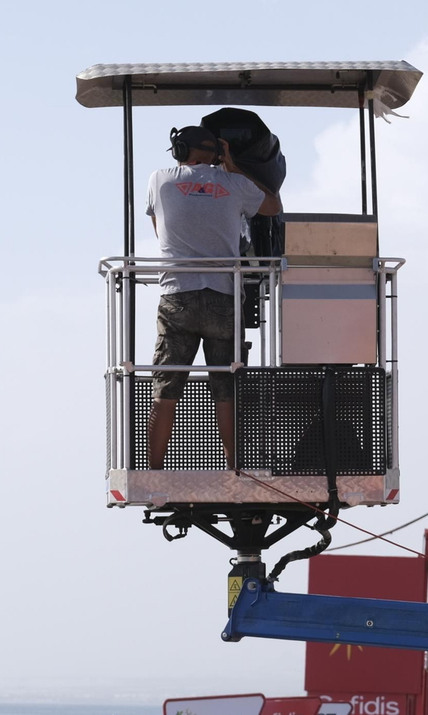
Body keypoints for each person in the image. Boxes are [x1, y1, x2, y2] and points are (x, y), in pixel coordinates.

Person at [144, 123, 282, 471]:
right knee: (226, 386)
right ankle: (235, 468)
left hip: (178, 295)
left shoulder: (160, 179)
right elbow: (272, 206)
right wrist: (232, 165)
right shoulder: (235, 184)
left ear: (179, 150)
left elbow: (159, 229)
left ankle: (154, 471)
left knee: (166, 386)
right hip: (223, 295)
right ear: (217, 153)